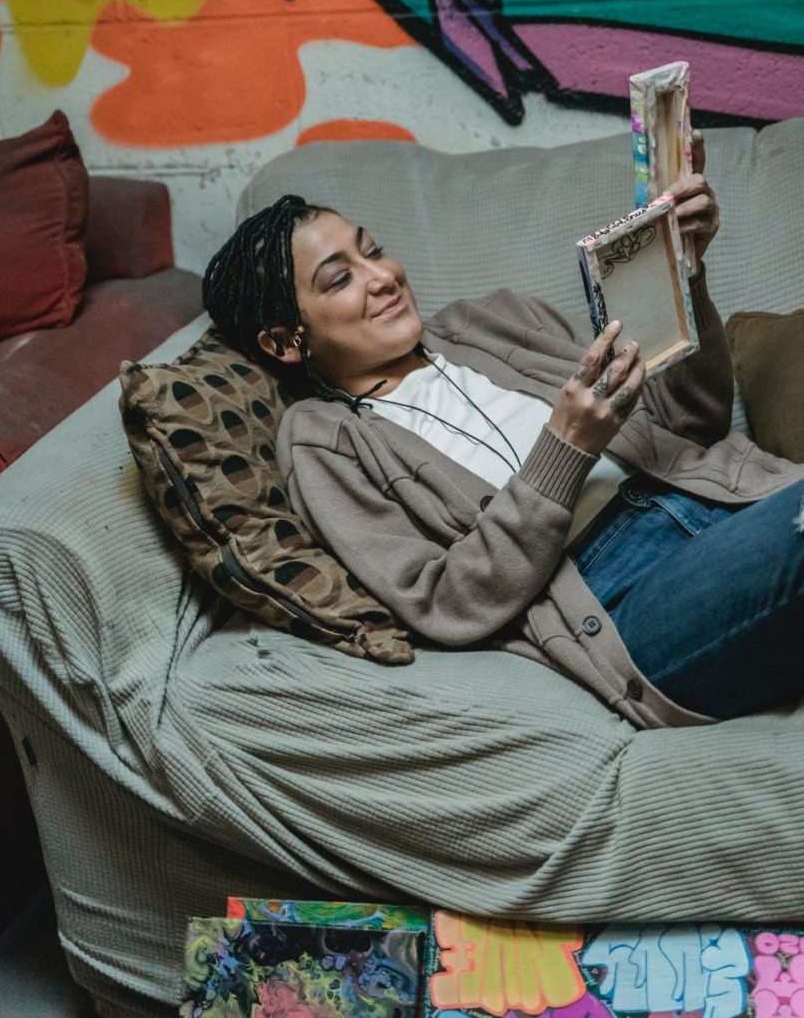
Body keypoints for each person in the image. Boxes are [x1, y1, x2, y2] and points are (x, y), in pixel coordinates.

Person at [202, 144, 804, 729]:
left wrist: (682, 275)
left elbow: (690, 422)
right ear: (283, 342)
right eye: (340, 279)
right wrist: (563, 451)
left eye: (373, 251)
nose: (383, 276)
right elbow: (443, 603)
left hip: (730, 502)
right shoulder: (322, 439)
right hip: (622, 594)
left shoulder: (494, 320)